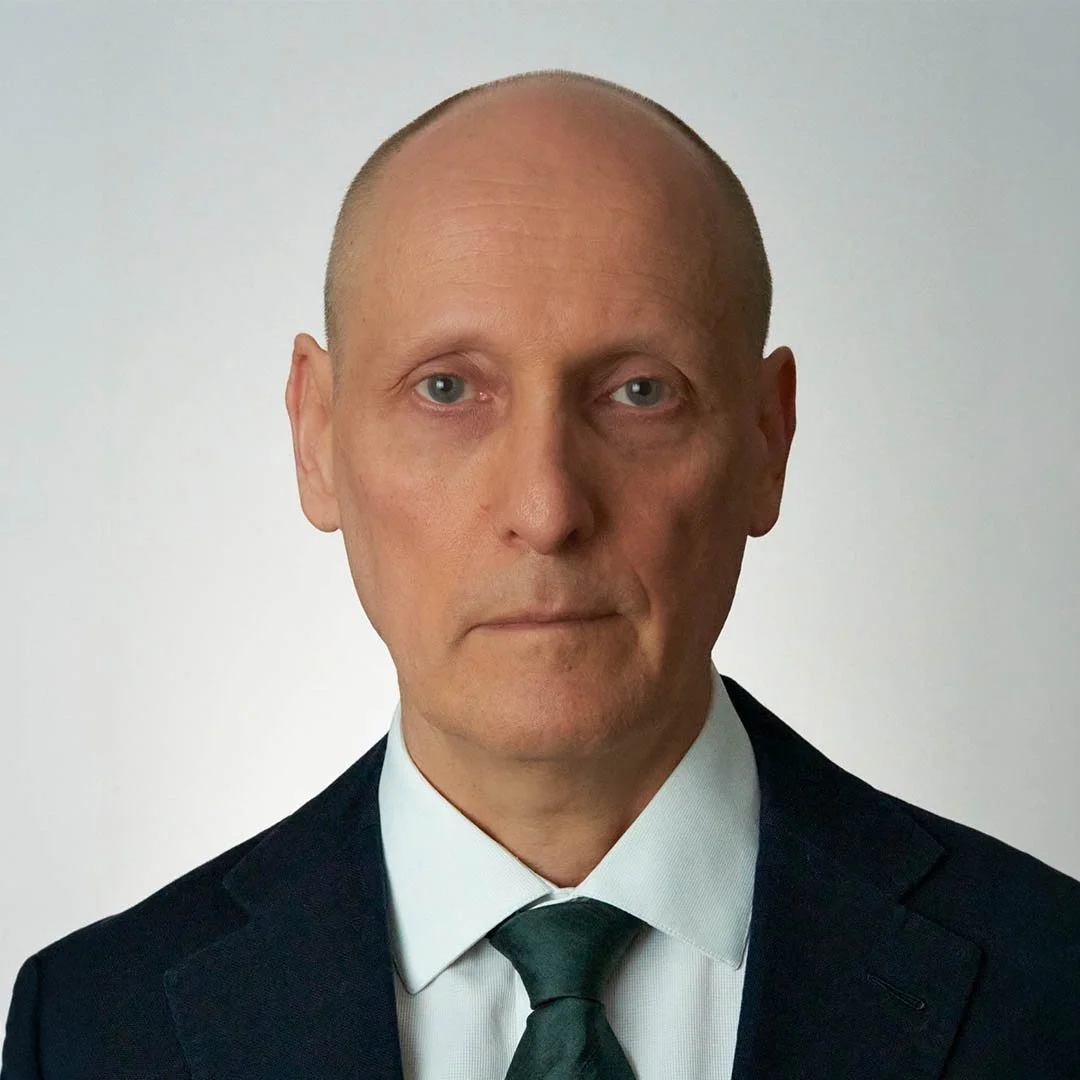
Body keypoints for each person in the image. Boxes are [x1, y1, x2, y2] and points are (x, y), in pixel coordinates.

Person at [3, 69, 1079, 1080]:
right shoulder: (95, 1027)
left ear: (767, 441)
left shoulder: (1055, 991)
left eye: (640, 393)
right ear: (316, 436)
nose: (548, 509)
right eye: (445, 390)